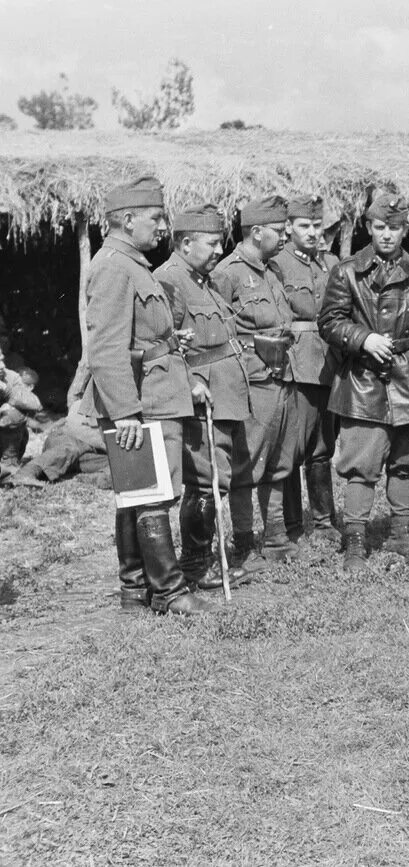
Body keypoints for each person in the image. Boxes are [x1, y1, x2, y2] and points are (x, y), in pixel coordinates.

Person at [81, 176, 213, 616]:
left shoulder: (130, 263)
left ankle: (137, 591)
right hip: (141, 400)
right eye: (156, 217)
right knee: (150, 496)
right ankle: (170, 593)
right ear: (127, 219)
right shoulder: (113, 267)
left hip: (156, 391)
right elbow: (104, 349)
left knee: (139, 494)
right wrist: (126, 413)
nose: (163, 226)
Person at [319, 193, 409, 570]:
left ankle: (400, 533)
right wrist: (363, 339)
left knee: (405, 461)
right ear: (369, 228)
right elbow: (330, 322)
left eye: (396, 228)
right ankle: (355, 541)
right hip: (363, 379)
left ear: (406, 229)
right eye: (380, 227)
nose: (388, 235)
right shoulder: (346, 271)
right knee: (361, 463)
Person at [158, 204, 253, 590]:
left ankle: (204, 557)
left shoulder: (202, 280)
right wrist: (188, 384)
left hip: (225, 391)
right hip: (201, 394)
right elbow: (163, 345)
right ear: (185, 243)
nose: (219, 251)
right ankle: (196, 563)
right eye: (212, 244)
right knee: (205, 479)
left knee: (219, 477)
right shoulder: (169, 281)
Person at [212, 195, 300, 574]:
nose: (286, 236)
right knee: (248, 463)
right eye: (279, 231)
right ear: (256, 231)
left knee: (279, 460)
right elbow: (218, 331)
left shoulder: (273, 270)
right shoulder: (227, 273)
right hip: (253, 378)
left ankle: (276, 536)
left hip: (283, 374)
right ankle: (245, 541)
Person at [277, 195, 342, 545]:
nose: (313, 232)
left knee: (322, 446)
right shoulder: (277, 264)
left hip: (327, 363)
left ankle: (323, 522)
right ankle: (290, 526)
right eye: (305, 226)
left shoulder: (330, 263)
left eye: (317, 226)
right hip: (293, 363)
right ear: (288, 228)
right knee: (292, 446)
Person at [2, 404, 108, 488]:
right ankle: (26, 473)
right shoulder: (89, 401)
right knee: (71, 448)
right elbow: (73, 426)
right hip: (67, 440)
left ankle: (95, 478)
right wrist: (103, 443)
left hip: (91, 456)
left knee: (118, 465)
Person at [0, 341, 41, 476]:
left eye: (2, 360)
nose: (2, 366)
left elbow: (34, 403)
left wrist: (8, 392)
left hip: (6, 441)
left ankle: (9, 462)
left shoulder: (10, 376)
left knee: (12, 412)